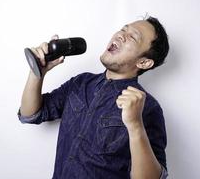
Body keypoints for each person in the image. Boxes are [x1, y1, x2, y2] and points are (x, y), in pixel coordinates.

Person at [18, 15, 169, 179]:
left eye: (132, 36)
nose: (121, 35)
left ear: (144, 63)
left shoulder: (147, 107)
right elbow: (30, 114)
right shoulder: (81, 82)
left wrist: (135, 125)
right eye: (123, 29)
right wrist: (37, 71)